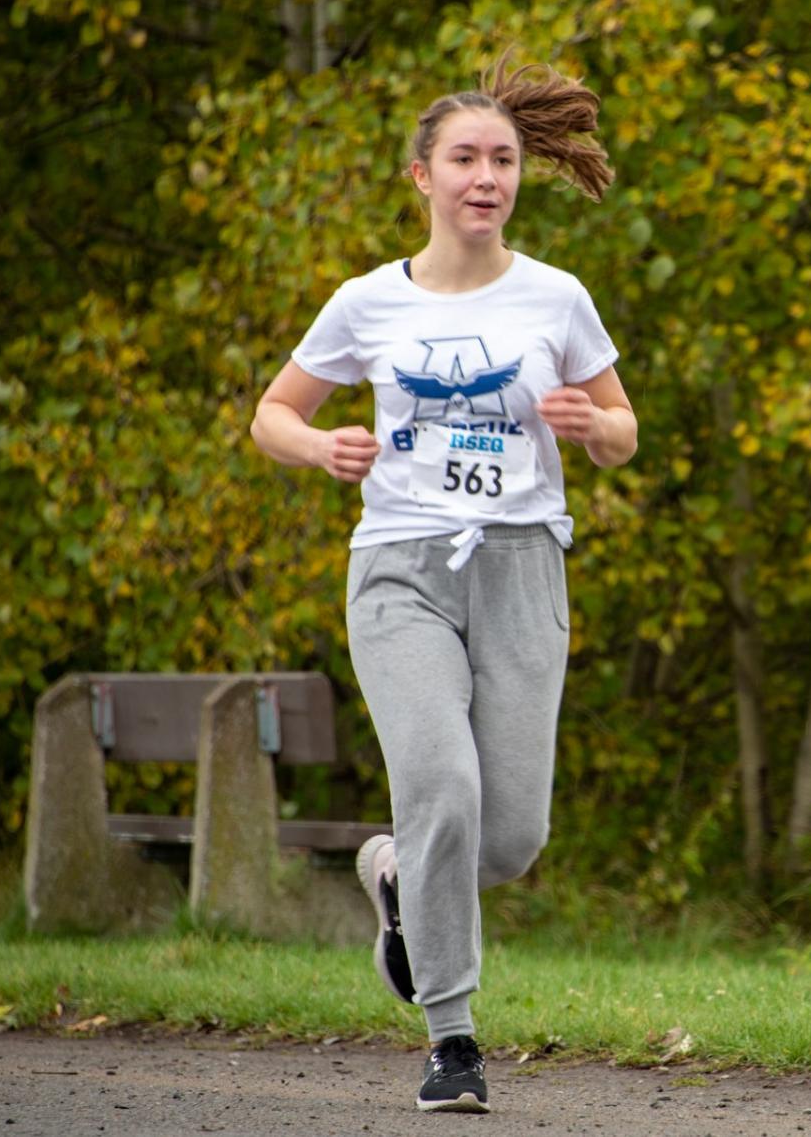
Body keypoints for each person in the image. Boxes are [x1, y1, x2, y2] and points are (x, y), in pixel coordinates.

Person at [249, 55, 637, 1113]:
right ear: (422, 176)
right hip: (401, 570)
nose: (487, 176)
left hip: (521, 568)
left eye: (503, 159)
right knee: (444, 789)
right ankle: (453, 1040)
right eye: (464, 157)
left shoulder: (557, 296)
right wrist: (316, 447)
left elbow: (623, 431)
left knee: (506, 840)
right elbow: (270, 413)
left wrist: (594, 427)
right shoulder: (366, 301)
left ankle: (393, 875)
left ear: (521, 177)